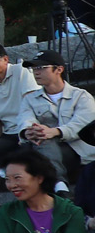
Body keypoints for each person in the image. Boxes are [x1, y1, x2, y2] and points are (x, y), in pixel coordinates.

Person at [18, 51, 95, 182]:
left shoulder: (81, 96)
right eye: (34, 69)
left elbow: (82, 124)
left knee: (39, 149)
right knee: (42, 142)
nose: (36, 72)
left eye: (41, 68)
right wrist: (29, 131)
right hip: (43, 146)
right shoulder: (29, 99)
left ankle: (57, 184)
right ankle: (59, 185)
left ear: (59, 69)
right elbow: (25, 119)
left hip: (75, 149)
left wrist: (54, 132)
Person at [0, 43, 41, 176]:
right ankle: (0, 186)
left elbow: (32, 106)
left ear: (5, 59)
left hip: (29, 129)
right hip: (9, 133)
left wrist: (28, 133)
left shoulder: (21, 71)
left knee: (23, 154)